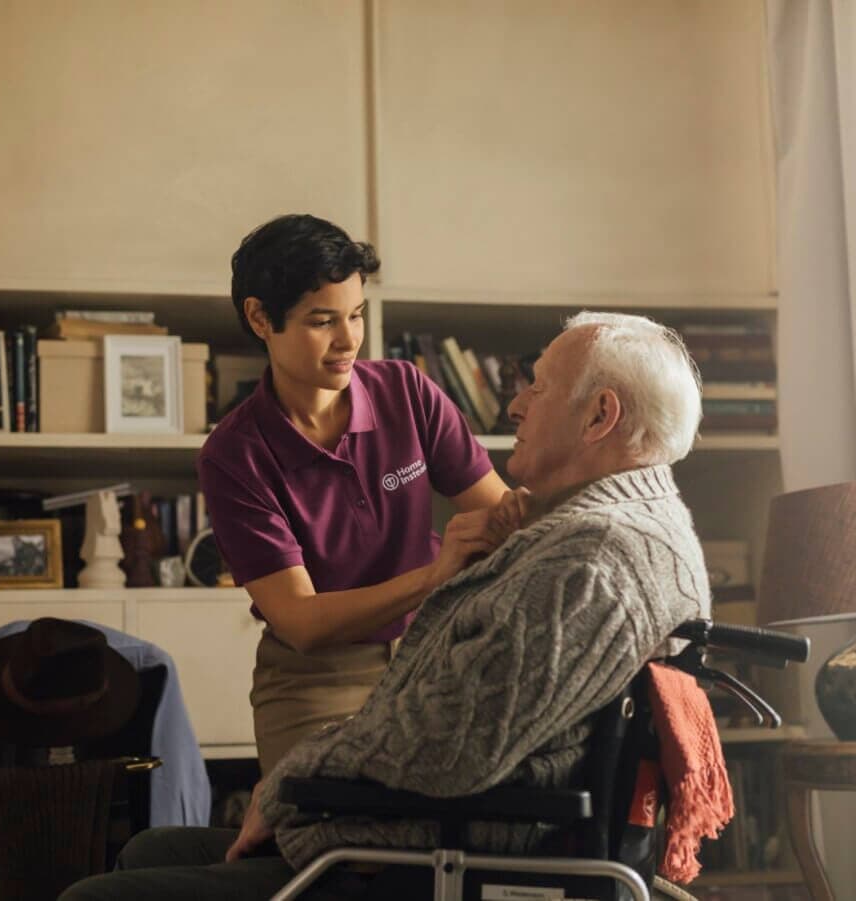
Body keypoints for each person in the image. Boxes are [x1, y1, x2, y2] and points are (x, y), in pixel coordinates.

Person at [61, 310, 711, 901]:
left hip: (448, 854)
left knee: (94, 895)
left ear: (600, 416)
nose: (515, 404)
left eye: (537, 386)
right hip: (454, 818)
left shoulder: (590, 560)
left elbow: (455, 746)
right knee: (150, 848)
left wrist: (293, 778)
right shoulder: (637, 527)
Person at [197, 214, 517, 777]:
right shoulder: (235, 455)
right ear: (259, 318)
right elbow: (303, 621)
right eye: (322, 321)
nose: (348, 341)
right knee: (319, 844)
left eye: (356, 315)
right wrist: (433, 576)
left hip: (437, 651)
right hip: (317, 678)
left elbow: (503, 517)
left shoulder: (407, 392)